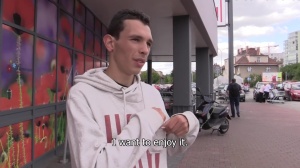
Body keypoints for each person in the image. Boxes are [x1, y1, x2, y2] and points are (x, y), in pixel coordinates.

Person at [66, 9, 199, 168]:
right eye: (136, 39)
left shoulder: (151, 94)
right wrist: (148, 119)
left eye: (148, 43)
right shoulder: (83, 95)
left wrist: (189, 124)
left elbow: (169, 146)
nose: (145, 50)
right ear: (110, 43)